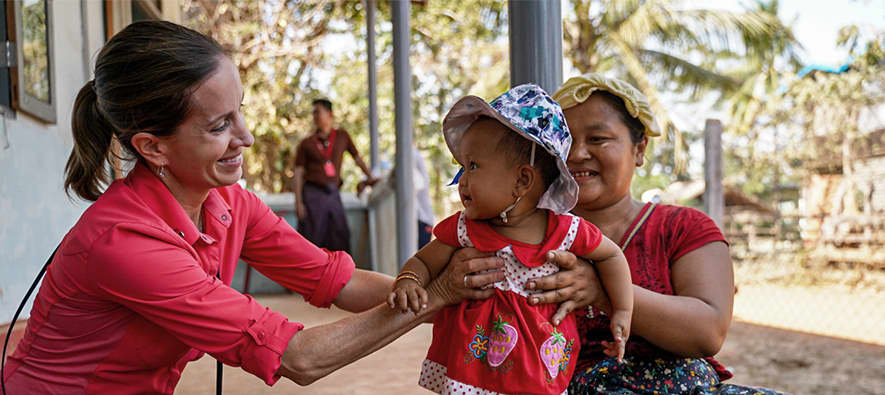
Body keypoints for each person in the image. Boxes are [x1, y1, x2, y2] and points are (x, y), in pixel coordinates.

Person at [0, 21, 508, 394]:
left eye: (239, 111)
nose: (245, 137)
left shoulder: (227, 202)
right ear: (152, 147)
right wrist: (440, 295)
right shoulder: (124, 242)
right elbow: (298, 358)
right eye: (219, 126)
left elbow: (338, 282)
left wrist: (493, 292)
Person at [515, 73, 781, 394]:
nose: (577, 154)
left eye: (598, 139)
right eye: (566, 142)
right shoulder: (523, 235)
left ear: (639, 150)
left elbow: (707, 332)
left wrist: (602, 291)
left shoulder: (683, 228)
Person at [389, 85, 634, 395]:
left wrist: (622, 310)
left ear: (522, 180)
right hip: (473, 370)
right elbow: (424, 260)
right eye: (463, 167)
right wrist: (409, 279)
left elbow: (611, 256)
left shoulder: (567, 231)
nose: (462, 180)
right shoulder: (466, 228)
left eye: (473, 166)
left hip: (540, 371)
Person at [293, 98, 377, 253]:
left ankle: (342, 275)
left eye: (318, 112)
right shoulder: (306, 143)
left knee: (340, 234)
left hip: (333, 193)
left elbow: (357, 158)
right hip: (313, 194)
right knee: (313, 237)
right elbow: (298, 173)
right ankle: (313, 275)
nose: (315, 116)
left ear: (329, 114)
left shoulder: (342, 136)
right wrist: (298, 202)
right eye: (313, 113)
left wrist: (370, 178)